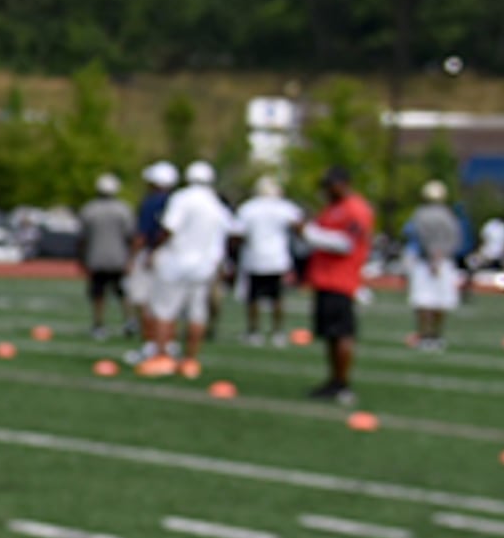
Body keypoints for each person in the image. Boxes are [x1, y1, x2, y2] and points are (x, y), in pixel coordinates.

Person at [300, 164, 376, 406]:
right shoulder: (331, 209)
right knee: (329, 335)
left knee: (342, 333)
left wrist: (309, 233)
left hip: (341, 280)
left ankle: (343, 383)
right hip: (324, 278)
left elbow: (346, 244)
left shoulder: (356, 210)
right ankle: (334, 381)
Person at [152, 160, 233, 369]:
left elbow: (170, 227)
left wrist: (155, 248)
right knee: (197, 314)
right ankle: (190, 360)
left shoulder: (182, 198)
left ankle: (162, 357)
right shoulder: (215, 203)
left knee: (165, 311)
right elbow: (230, 231)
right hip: (204, 266)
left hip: (176, 261)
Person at [231, 171, 306, 345]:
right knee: (277, 297)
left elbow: (236, 234)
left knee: (254, 298)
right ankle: (278, 332)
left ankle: (253, 331)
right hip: (277, 258)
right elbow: (299, 224)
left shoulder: (248, 208)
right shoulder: (284, 207)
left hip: (255, 257)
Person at [400, 180, 467, 349]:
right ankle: (435, 335)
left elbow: (414, 236)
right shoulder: (449, 215)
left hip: (425, 261)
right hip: (443, 261)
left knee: (424, 301)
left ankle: (425, 335)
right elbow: (455, 239)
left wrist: (433, 256)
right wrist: (441, 255)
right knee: (439, 301)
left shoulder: (420, 214)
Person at [75, 172, 135, 339]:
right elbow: (130, 236)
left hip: (96, 257)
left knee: (98, 294)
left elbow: (82, 238)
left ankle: (99, 325)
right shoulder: (123, 209)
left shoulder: (90, 209)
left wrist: (81, 258)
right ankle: (129, 321)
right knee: (122, 292)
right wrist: (130, 258)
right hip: (118, 257)